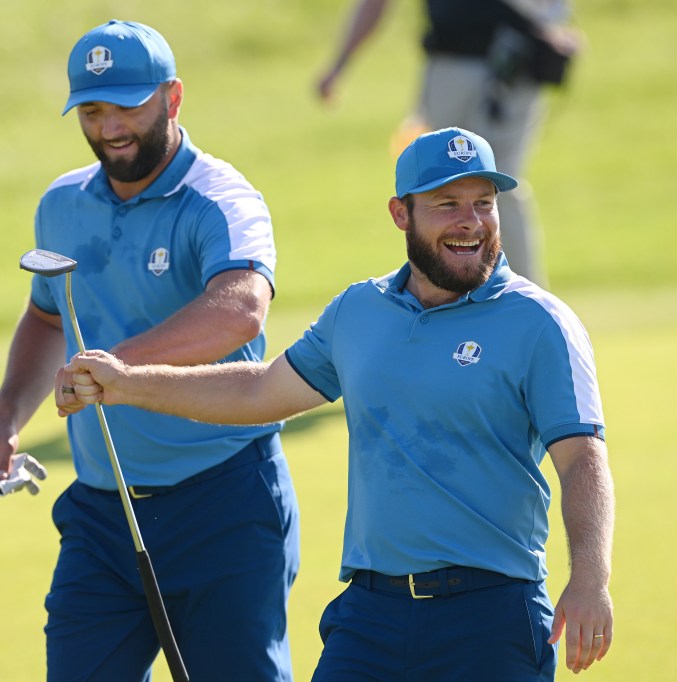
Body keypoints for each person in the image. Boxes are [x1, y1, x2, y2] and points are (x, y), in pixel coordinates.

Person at [64, 127, 616, 680]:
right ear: (402, 214)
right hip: (372, 617)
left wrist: (590, 578)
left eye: (483, 204)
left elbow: (581, 459)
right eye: (447, 204)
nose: (470, 221)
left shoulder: (540, 323)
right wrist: (125, 381)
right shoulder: (359, 310)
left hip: (490, 615)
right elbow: (259, 390)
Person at [0, 20, 300, 682]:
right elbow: (46, 318)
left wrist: (116, 369)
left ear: (172, 99)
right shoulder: (61, 204)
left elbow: (238, 309)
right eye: (93, 110)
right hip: (102, 511)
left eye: (129, 105)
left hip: (223, 504)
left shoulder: (220, 199)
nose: (111, 126)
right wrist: (4, 424)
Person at [316, 0, 582, 287]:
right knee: (437, 182)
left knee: (498, 184)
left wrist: (553, 22)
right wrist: (339, 65)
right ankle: (444, 291)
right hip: (446, 65)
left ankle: (526, 300)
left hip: (510, 60)